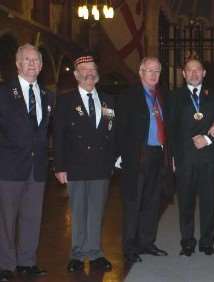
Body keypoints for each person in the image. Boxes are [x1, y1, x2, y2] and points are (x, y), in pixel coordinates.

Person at [54, 54, 115, 272]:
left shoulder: (108, 100)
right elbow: (59, 135)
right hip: (76, 165)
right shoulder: (65, 100)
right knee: (78, 211)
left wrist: (114, 160)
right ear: (77, 75)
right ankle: (77, 254)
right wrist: (59, 166)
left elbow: (112, 133)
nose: (89, 73)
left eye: (93, 70)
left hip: (101, 165)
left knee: (97, 211)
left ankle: (95, 252)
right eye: (85, 70)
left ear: (97, 74)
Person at [0, 43, 54, 281]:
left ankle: (27, 262)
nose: (33, 64)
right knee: (6, 220)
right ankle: (5, 264)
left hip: (37, 167)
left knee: (32, 217)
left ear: (42, 66)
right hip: (9, 166)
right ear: (18, 63)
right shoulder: (3, 92)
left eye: (36, 60)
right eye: (27, 60)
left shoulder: (46, 95)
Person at [168, 58, 214, 256]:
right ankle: (187, 242)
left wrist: (210, 137)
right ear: (183, 74)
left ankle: (207, 242)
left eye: (198, 70)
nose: (194, 74)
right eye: (189, 70)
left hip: (209, 159)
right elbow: (171, 129)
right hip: (185, 159)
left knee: (209, 202)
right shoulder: (174, 97)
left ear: (204, 73)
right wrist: (173, 158)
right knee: (185, 203)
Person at [116, 57, 171, 264]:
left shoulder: (162, 96)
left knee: (152, 202)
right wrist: (121, 157)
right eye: (150, 70)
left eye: (157, 71)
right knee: (133, 203)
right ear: (140, 72)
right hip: (136, 156)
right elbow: (120, 129)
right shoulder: (128, 95)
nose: (154, 74)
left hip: (158, 154)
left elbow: (168, 127)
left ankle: (146, 242)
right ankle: (129, 247)